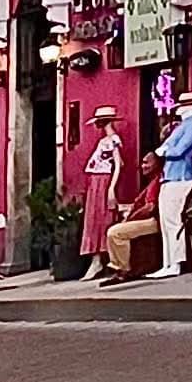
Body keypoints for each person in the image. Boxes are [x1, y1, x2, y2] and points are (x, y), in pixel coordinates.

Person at [148, 91, 192, 279]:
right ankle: (168, 262)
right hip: (170, 176)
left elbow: (181, 150)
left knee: (173, 220)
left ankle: (176, 262)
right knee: (166, 221)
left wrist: (163, 151)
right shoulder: (183, 126)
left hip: (182, 175)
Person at [100, 152, 162, 285]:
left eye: (147, 162)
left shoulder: (156, 182)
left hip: (154, 221)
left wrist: (130, 219)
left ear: (156, 164)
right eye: (142, 162)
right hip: (148, 220)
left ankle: (122, 270)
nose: (143, 166)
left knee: (115, 233)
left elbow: (150, 207)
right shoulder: (151, 182)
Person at [79, 105, 123, 280]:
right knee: (94, 219)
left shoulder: (112, 140)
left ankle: (101, 260)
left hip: (103, 181)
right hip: (95, 181)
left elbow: (118, 164)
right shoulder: (104, 141)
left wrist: (111, 188)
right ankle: (97, 260)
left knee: (102, 219)